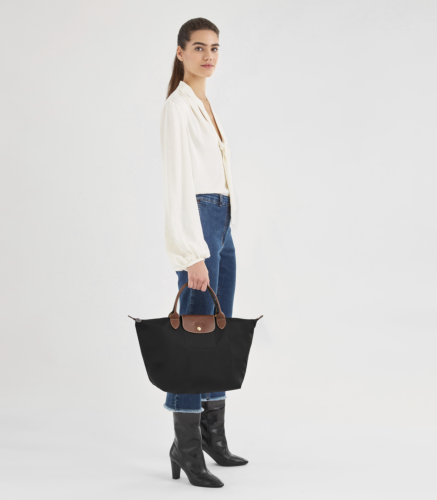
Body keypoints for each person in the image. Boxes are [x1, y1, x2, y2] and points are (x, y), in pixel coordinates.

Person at [159, 18, 247, 488]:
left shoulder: (205, 103)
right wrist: (192, 251)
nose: (208, 56)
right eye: (198, 47)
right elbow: (178, 184)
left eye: (214, 48)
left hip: (221, 218)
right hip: (199, 219)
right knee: (195, 330)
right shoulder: (177, 107)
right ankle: (186, 446)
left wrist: (222, 226)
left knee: (218, 328)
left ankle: (214, 435)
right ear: (181, 53)